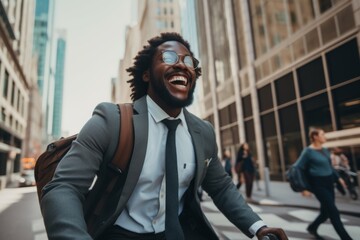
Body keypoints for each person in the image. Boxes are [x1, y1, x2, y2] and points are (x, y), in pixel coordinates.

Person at [40, 32, 287, 240]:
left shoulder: (203, 132)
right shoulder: (111, 121)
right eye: (168, 57)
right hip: (119, 233)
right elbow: (64, 187)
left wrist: (258, 227)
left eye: (188, 60)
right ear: (146, 74)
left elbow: (221, 187)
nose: (181, 64)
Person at [295, 128, 352, 240]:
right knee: (334, 212)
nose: (325, 136)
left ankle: (312, 227)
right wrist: (303, 188)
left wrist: (339, 178)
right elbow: (298, 168)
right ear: (315, 137)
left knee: (325, 212)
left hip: (329, 183)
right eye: (322, 134)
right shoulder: (308, 151)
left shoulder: (326, 150)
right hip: (318, 185)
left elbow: (330, 167)